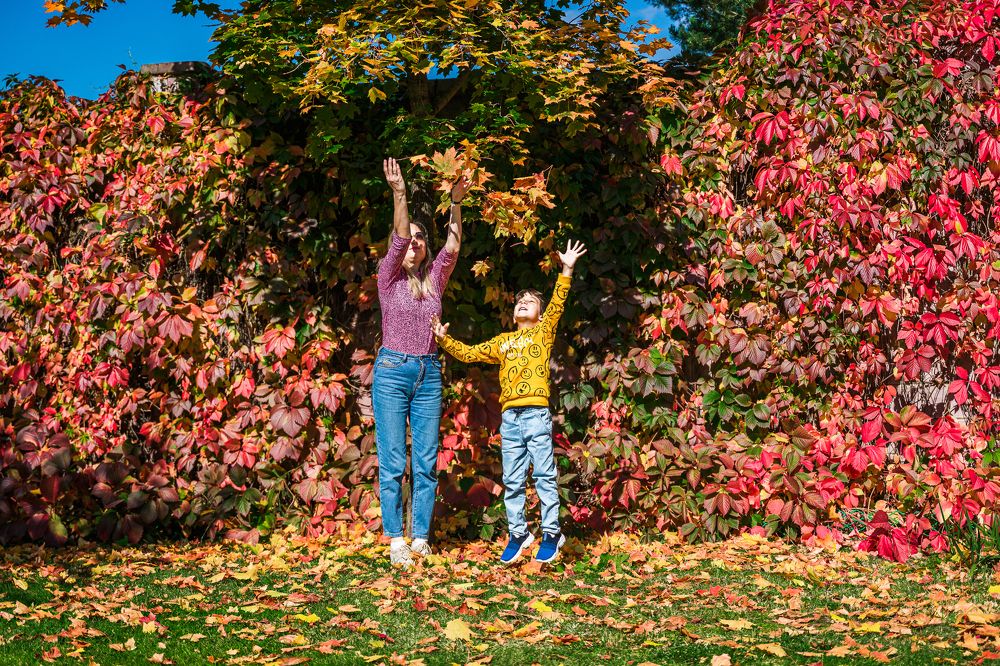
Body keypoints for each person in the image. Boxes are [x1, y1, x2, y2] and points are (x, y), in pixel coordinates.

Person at [431, 240, 587, 564]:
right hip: (511, 419)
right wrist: (444, 341)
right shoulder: (503, 342)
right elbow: (470, 353)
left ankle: (552, 533)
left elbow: (557, 303)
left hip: (536, 414)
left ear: (540, 315)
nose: (522, 304)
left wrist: (567, 269)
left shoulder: (543, 332)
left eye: (530, 302)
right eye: (519, 302)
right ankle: (519, 533)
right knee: (513, 480)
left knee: (543, 475)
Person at [375, 157, 470, 568]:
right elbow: (398, 239)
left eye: (420, 238)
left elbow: (454, 247)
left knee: (427, 462)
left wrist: (456, 204)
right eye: (408, 237)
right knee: (394, 460)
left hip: (429, 373)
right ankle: (396, 538)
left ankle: (420, 538)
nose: (413, 242)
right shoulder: (388, 278)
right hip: (393, 373)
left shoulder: (434, 282)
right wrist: (400, 193)